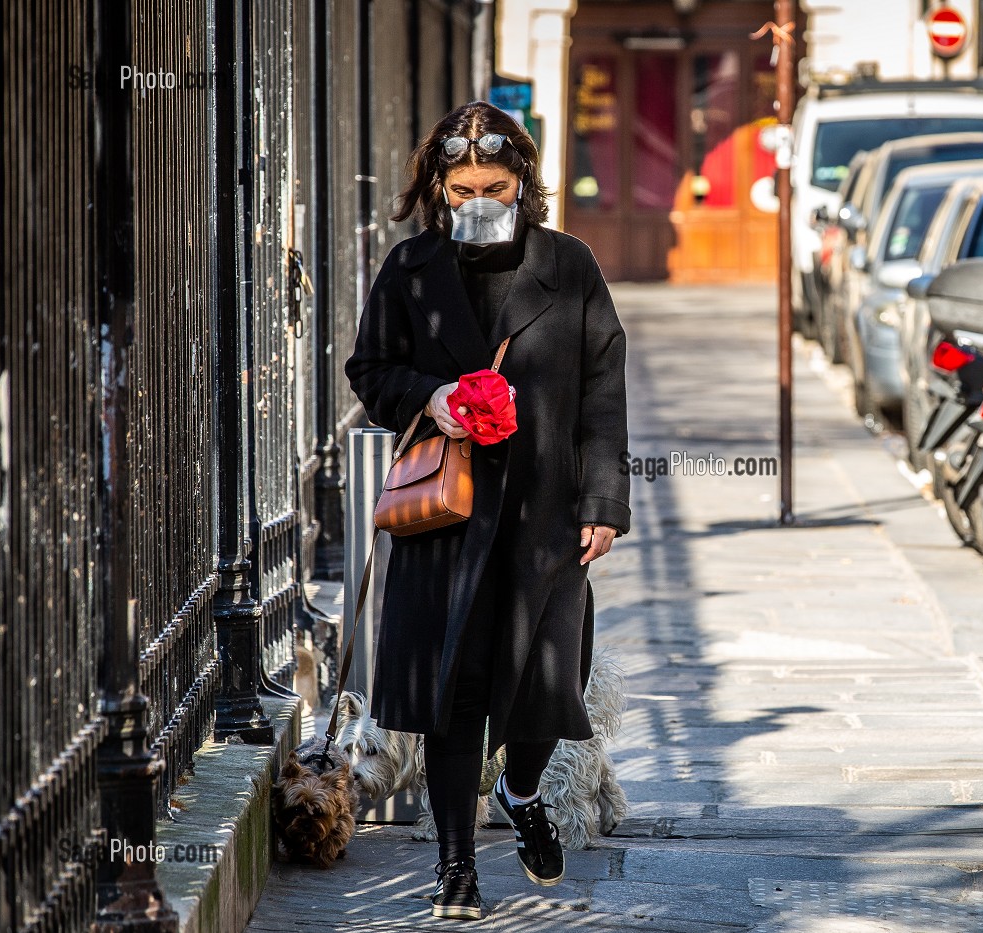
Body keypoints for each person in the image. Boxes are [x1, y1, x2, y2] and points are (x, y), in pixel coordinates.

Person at [345, 101, 630, 920]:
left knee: (551, 686)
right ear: (439, 184)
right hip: (449, 520)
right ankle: (455, 864)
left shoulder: (569, 266)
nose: (478, 198)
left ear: (523, 185)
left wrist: (605, 498)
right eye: (462, 185)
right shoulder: (409, 270)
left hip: (547, 515)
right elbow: (371, 370)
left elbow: (604, 387)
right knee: (453, 697)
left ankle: (522, 784)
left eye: (494, 185)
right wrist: (428, 396)